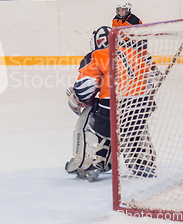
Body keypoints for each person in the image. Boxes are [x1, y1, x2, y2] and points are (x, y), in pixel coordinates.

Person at [65, 26, 157, 182]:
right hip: (141, 105)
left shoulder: (97, 55)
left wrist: (76, 97)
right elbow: (149, 81)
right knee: (134, 125)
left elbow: (85, 90)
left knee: (92, 120)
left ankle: (92, 164)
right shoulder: (133, 53)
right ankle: (142, 162)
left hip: (112, 106)